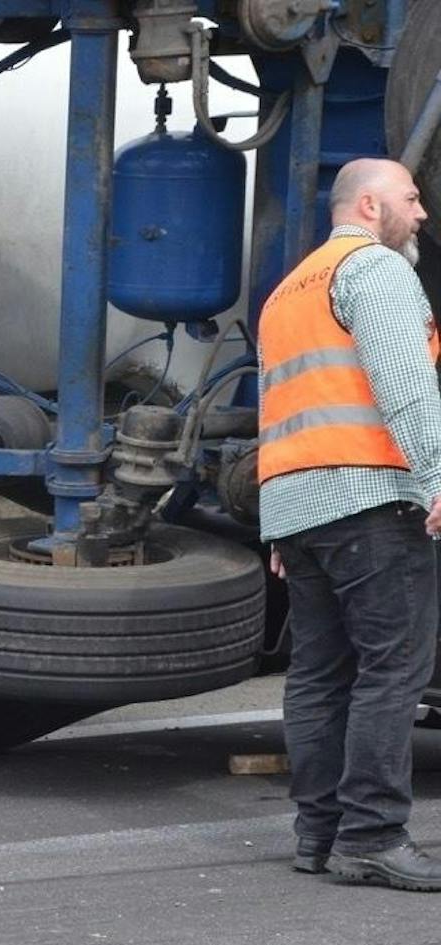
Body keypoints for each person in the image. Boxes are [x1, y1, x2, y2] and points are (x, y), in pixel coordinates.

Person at [258, 157, 441, 891]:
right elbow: (405, 387)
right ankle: (371, 835)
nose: (422, 212)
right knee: (392, 669)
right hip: (370, 498)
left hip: (301, 507)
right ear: (369, 206)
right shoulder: (376, 272)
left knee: (319, 675)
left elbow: (278, 409)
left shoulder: (285, 293)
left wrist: (278, 524)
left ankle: (321, 833)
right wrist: (437, 474)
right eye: (411, 197)